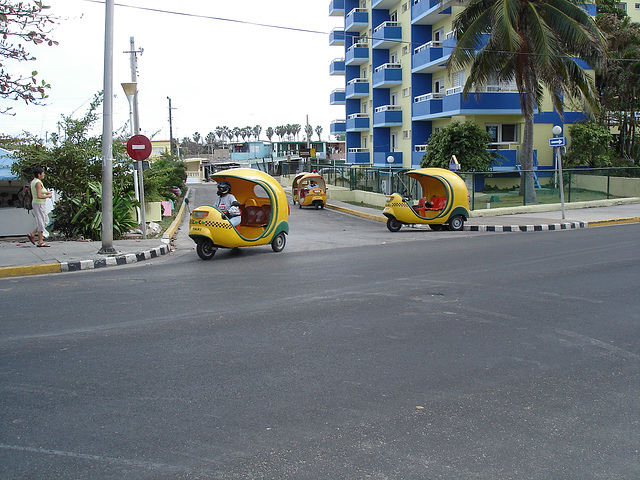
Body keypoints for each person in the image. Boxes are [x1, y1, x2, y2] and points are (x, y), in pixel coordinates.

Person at [27, 167, 53, 247]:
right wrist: (47, 196)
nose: (44, 175)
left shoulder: (34, 181)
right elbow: (39, 195)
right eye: (43, 173)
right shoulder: (38, 182)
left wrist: (47, 193)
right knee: (42, 222)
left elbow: (40, 192)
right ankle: (40, 241)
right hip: (39, 204)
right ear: (39, 174)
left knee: (45, 221)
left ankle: (33, 234)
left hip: (38, 204)